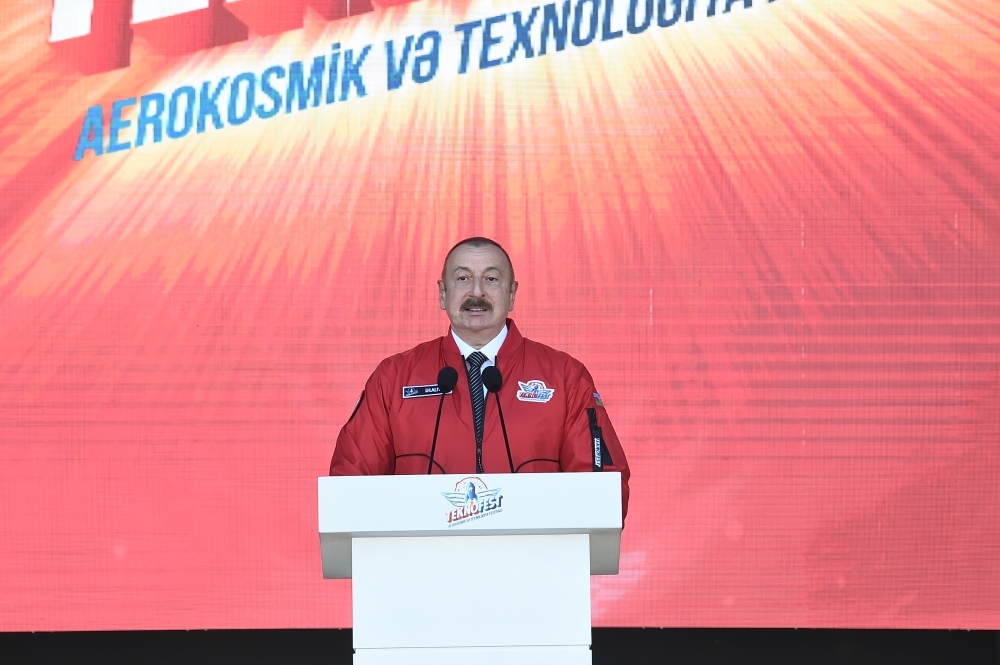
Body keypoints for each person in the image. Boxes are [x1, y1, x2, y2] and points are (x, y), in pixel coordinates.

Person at [329, 237, 630, 518]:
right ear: (443, 294)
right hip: (420, 556)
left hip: (535, 555)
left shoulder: (565, 377)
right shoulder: (394, 378)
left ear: (511, 294)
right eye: (462, 278)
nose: (476, 292)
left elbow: (603, 489)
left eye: (491, 279)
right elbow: (349, 486)